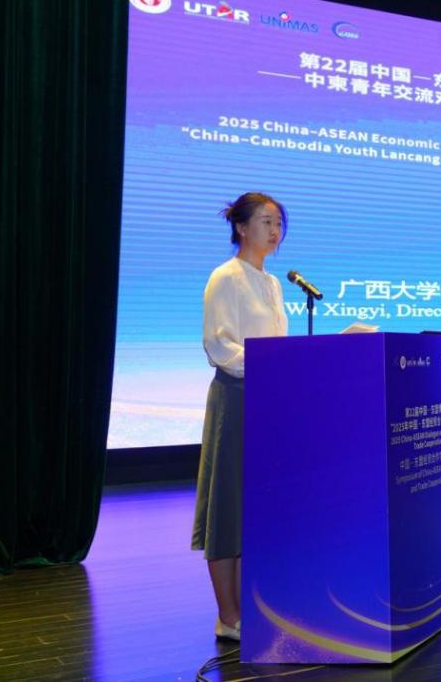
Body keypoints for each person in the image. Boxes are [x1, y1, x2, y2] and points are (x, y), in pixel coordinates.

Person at [191, 192, 289, 641]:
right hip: (236, 398)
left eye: (278, 223)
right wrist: (269, 365)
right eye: (266, 222)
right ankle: (228, 616)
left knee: (257, 506)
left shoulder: (273, 284)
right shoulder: (225, 277)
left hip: (269, 400)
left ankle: (253, 604)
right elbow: (220, 346)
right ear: (241, 227)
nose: (275, 230)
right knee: (228, 505)